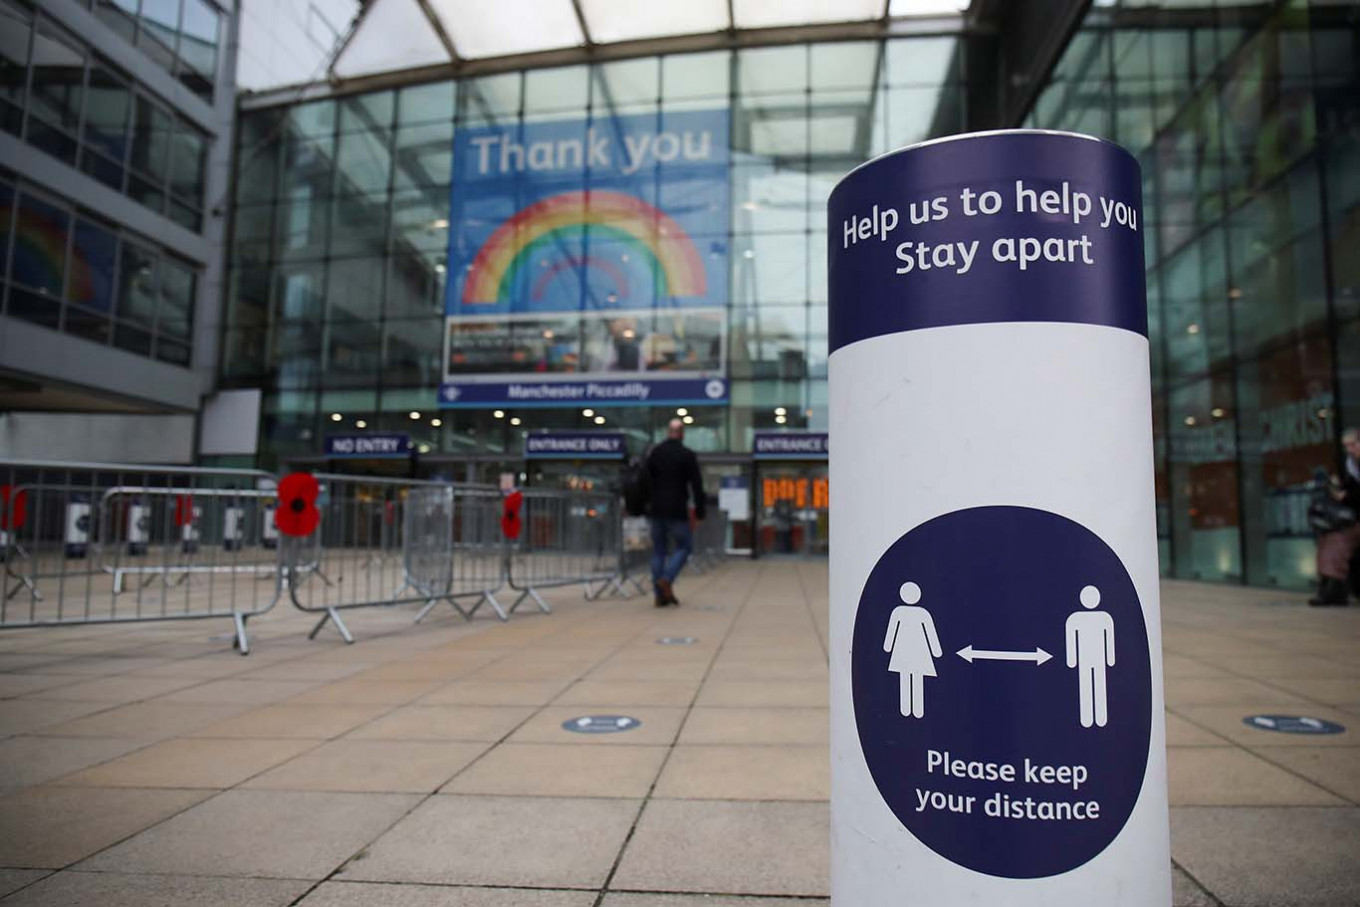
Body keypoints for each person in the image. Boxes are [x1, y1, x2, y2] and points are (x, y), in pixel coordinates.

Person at [647, 418, 705, 606]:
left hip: (657, 508)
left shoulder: (655, 453)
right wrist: (700, 510)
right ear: (682, 433)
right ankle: (667, 579)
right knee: (684, 547)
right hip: (677, 508)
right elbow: (697, 484)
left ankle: (659, 595)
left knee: (658, 551)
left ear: (667, 432)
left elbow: (646, 481)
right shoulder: (687, 455)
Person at [884, 581, 941, 719]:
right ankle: (916, 710)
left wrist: (888, 647)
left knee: (906, 677)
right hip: (919, 651)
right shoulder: (921, 613)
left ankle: (907, 709)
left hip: (902, 650)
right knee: (916, 678)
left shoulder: (899, 611)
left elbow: (892, 631)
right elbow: (930, 633)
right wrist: (936, 651)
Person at [1066, 585, 1116, 728]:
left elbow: (1109, 639)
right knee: (1087, 685)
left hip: (1096, 658)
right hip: (1086, 659)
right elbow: (1071, 641)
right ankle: (1088, 718)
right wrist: (1072, 660)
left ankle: (1100, 717)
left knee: (1097, 685)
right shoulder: (1075, 619)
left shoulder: (1104, 618)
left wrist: (1110, 658)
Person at [1309, 467, 1357, 606]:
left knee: (1334, 549)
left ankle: (1332, 591)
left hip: (1347, 526)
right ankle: (1330, 590)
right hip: (1340, 526)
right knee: (1328, 549)